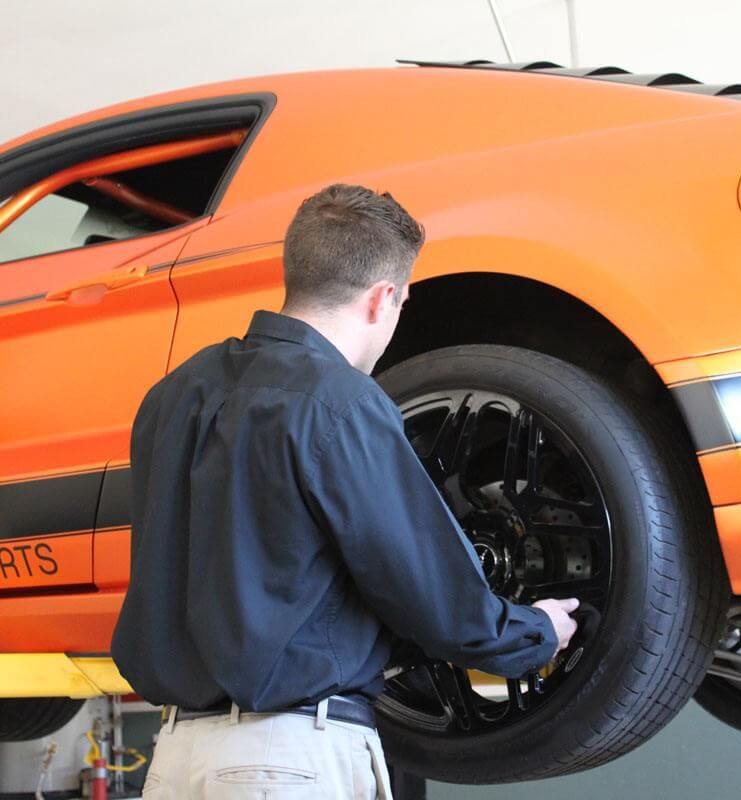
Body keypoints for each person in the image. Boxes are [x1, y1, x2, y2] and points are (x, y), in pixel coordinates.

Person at [111, 183, 580, 799]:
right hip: (284, 760)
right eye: (402, 304)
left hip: (175, 760)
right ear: (384, 298)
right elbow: (429, 592)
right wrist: (534, 630)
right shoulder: (338, 403)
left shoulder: (172, 397)